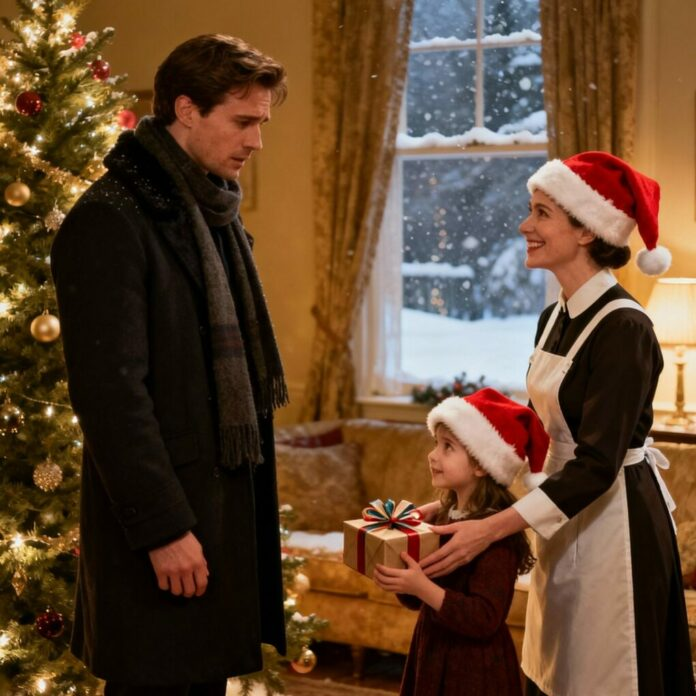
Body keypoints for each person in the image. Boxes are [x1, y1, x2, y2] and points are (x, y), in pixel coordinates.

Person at [51, 35, 289, 695]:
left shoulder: (210, 210)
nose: (256, 141)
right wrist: (163, 529)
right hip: (162, 531)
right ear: (186, 109)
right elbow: (110, 397)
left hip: (213, 515)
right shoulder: (110, 220)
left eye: (262, 123)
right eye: (243, 122)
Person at [418, 152, 695, 695]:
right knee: (557, 669)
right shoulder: (553, 318)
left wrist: (491, 529)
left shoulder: (625, 329)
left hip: (616, 523)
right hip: (561, 516)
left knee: (608, 673)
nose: (525, 225)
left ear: (588, 229)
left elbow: (597, 465)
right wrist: (457, 505)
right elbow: (534, 434)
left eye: (542, 213)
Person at [374, 388, 549, 696]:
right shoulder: (442, 517)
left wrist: (422, 587)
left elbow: (485, 619)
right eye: (436, 443)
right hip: (432, 653)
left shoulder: (495, 536)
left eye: (448, 447)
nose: (433, 455)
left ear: (481, 464)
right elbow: (419, 599)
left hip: (474, 671)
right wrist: (404, 579)